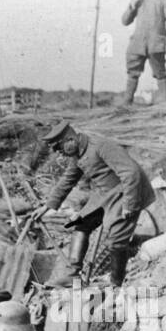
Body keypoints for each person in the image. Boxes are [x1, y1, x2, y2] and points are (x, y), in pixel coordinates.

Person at [32, 121, 155, 288]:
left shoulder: (101, 145)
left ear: (70, 139)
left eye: (59, 148)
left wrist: (129, 204)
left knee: (116, 239)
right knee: (80, 224)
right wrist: (47, 206)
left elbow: (131, 172)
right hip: (104, 194)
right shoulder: (76, 153)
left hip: (126, 191)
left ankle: (115, 282)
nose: (59, 153)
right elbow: (68, 179)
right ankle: (72, 275)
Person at [122, 0, 166, 106]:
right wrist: (131, 6)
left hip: (156, 43)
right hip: (137, 43)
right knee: (132, 73)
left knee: (160, 73)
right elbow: (125, 21)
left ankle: (165, 104)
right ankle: (127, 103)